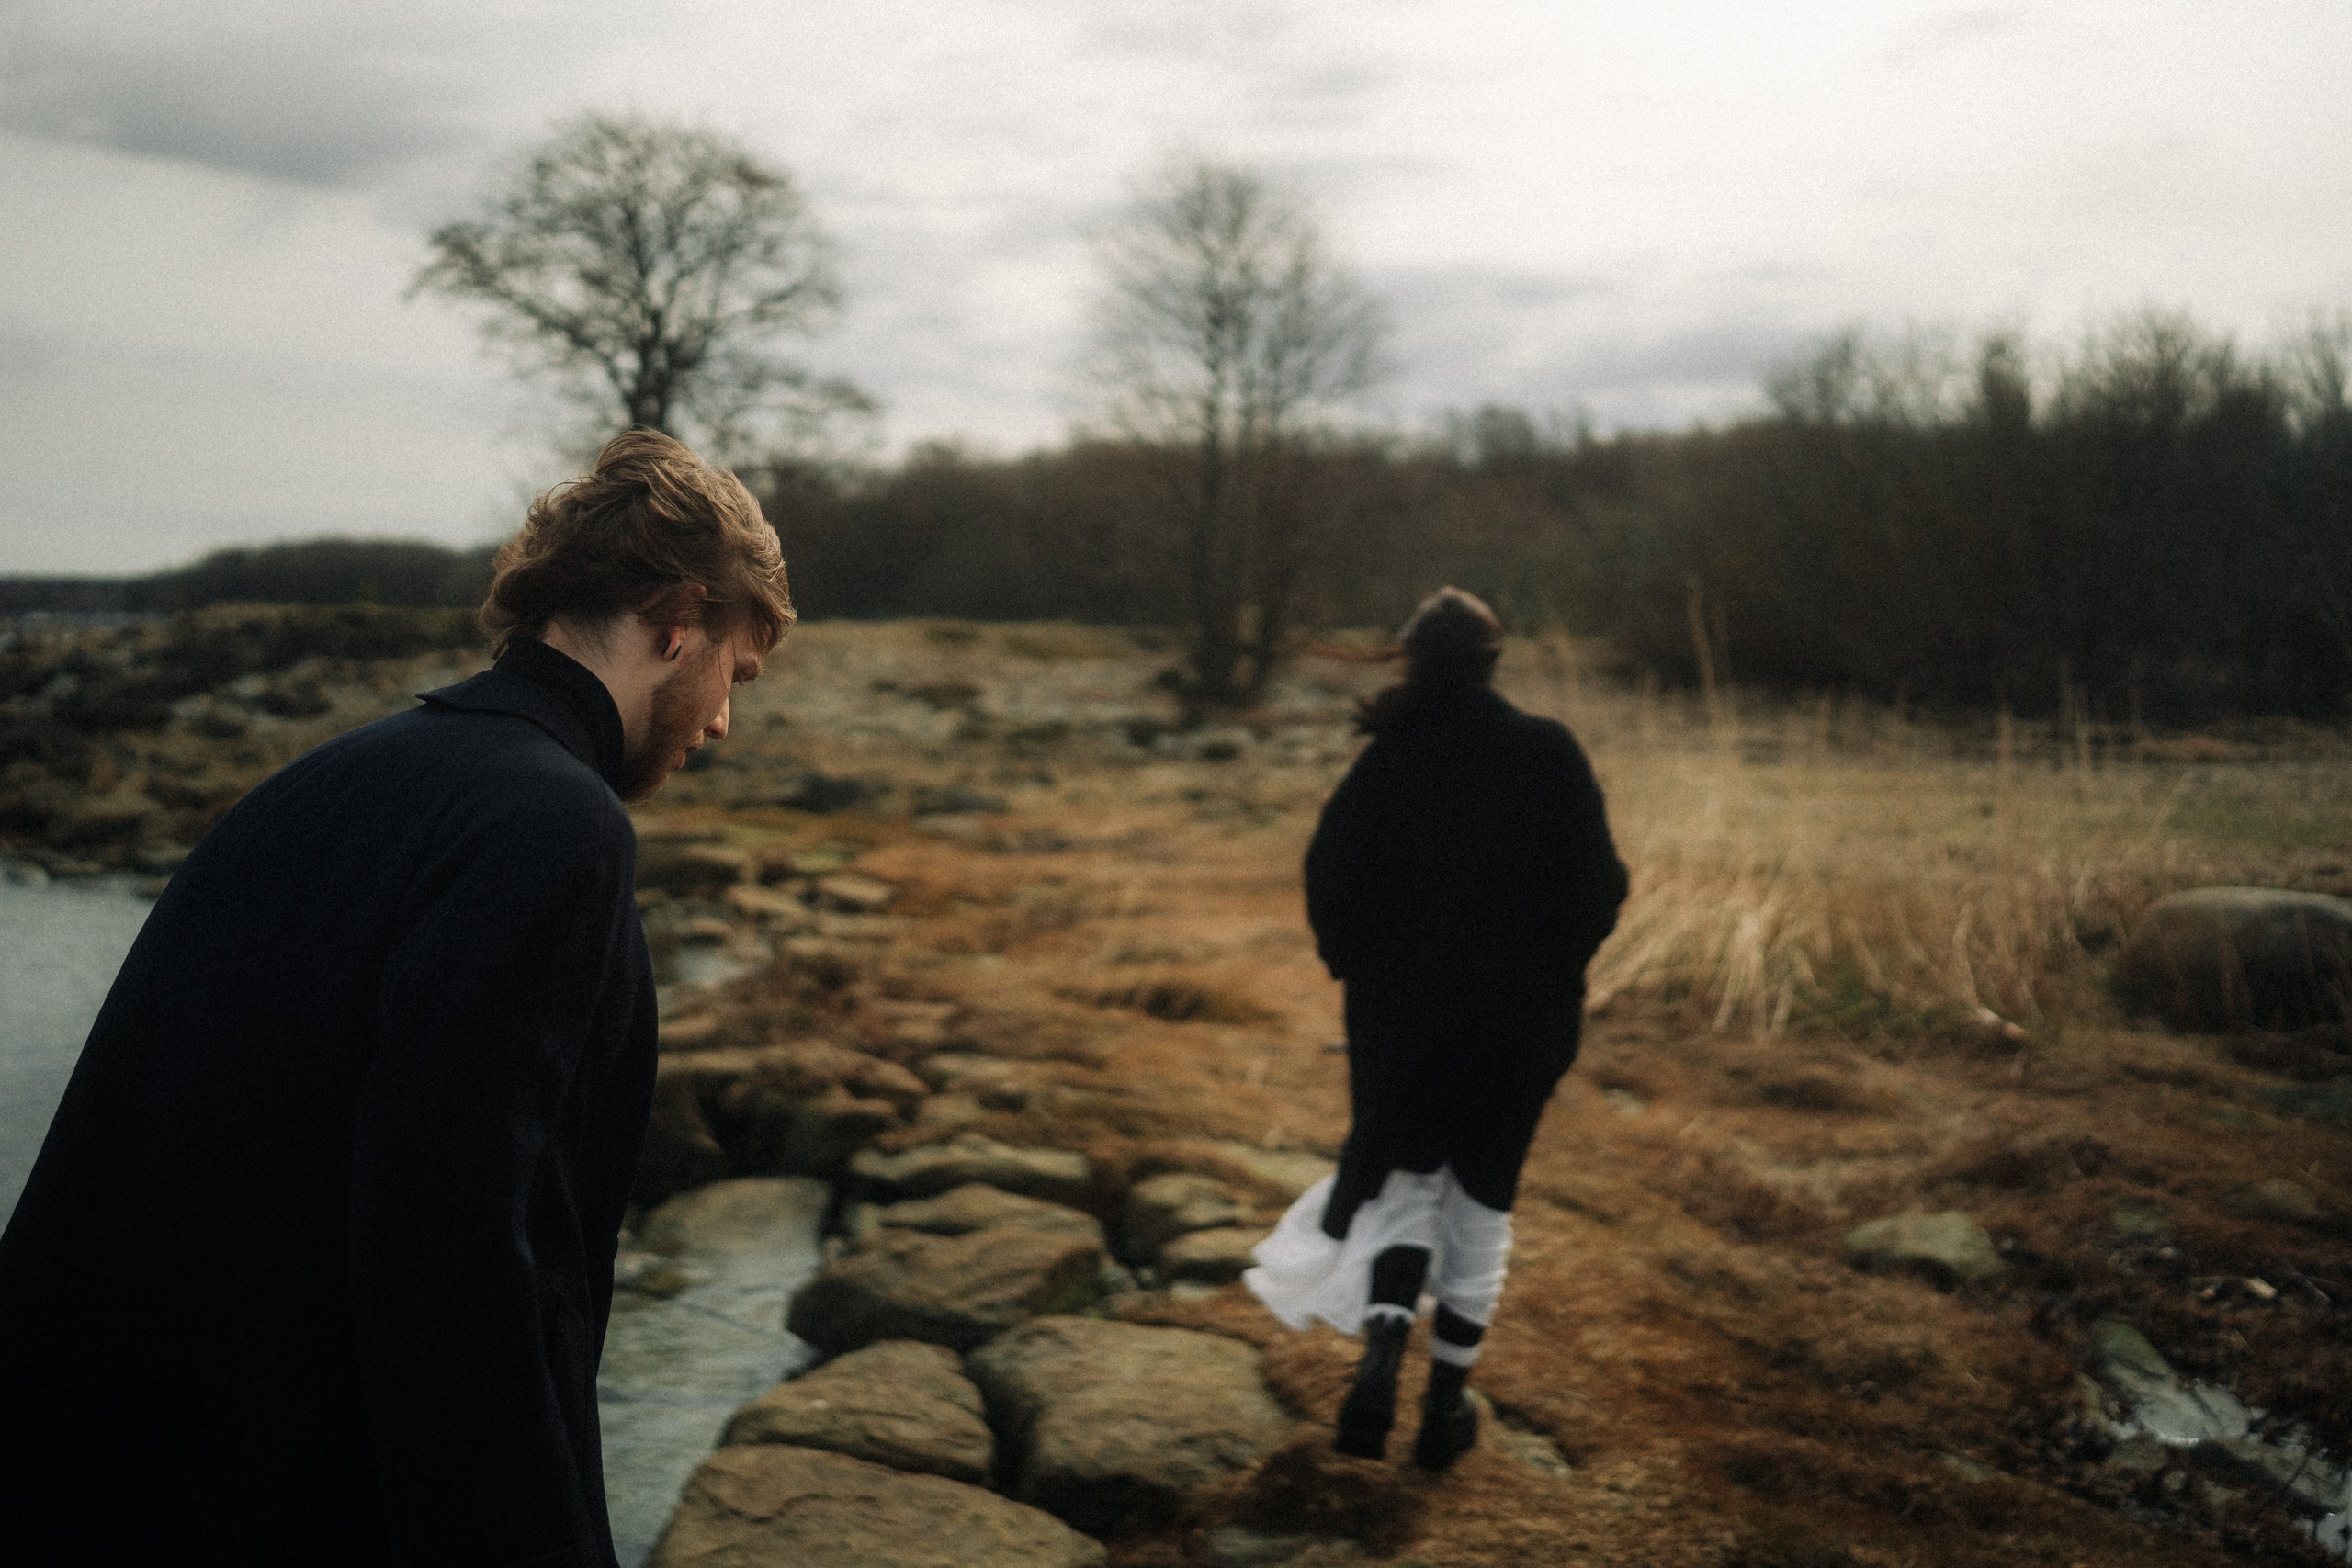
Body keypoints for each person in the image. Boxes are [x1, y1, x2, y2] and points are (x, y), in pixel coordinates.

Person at [0, 429, 790, 1567]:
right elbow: (456, 1253)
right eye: (735, 674)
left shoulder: (324, 782)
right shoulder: (556, 827)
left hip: (106, 1485)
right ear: (677, 621)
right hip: (289, 1504)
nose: (720, 721)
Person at [1245, 587, 1628, 1470]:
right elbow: (1600, 885)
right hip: (1521, 1020)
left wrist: (1358, 965)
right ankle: (1445, 1403)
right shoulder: (1549, 749)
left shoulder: (1393, 756)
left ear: (1412, 660)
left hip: (1404, 1017)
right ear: (1494, 663)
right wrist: (1556, 967)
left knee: (1409, 1185)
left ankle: (1379, 1362)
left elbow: (1329, 873)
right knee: (1484, 1198)